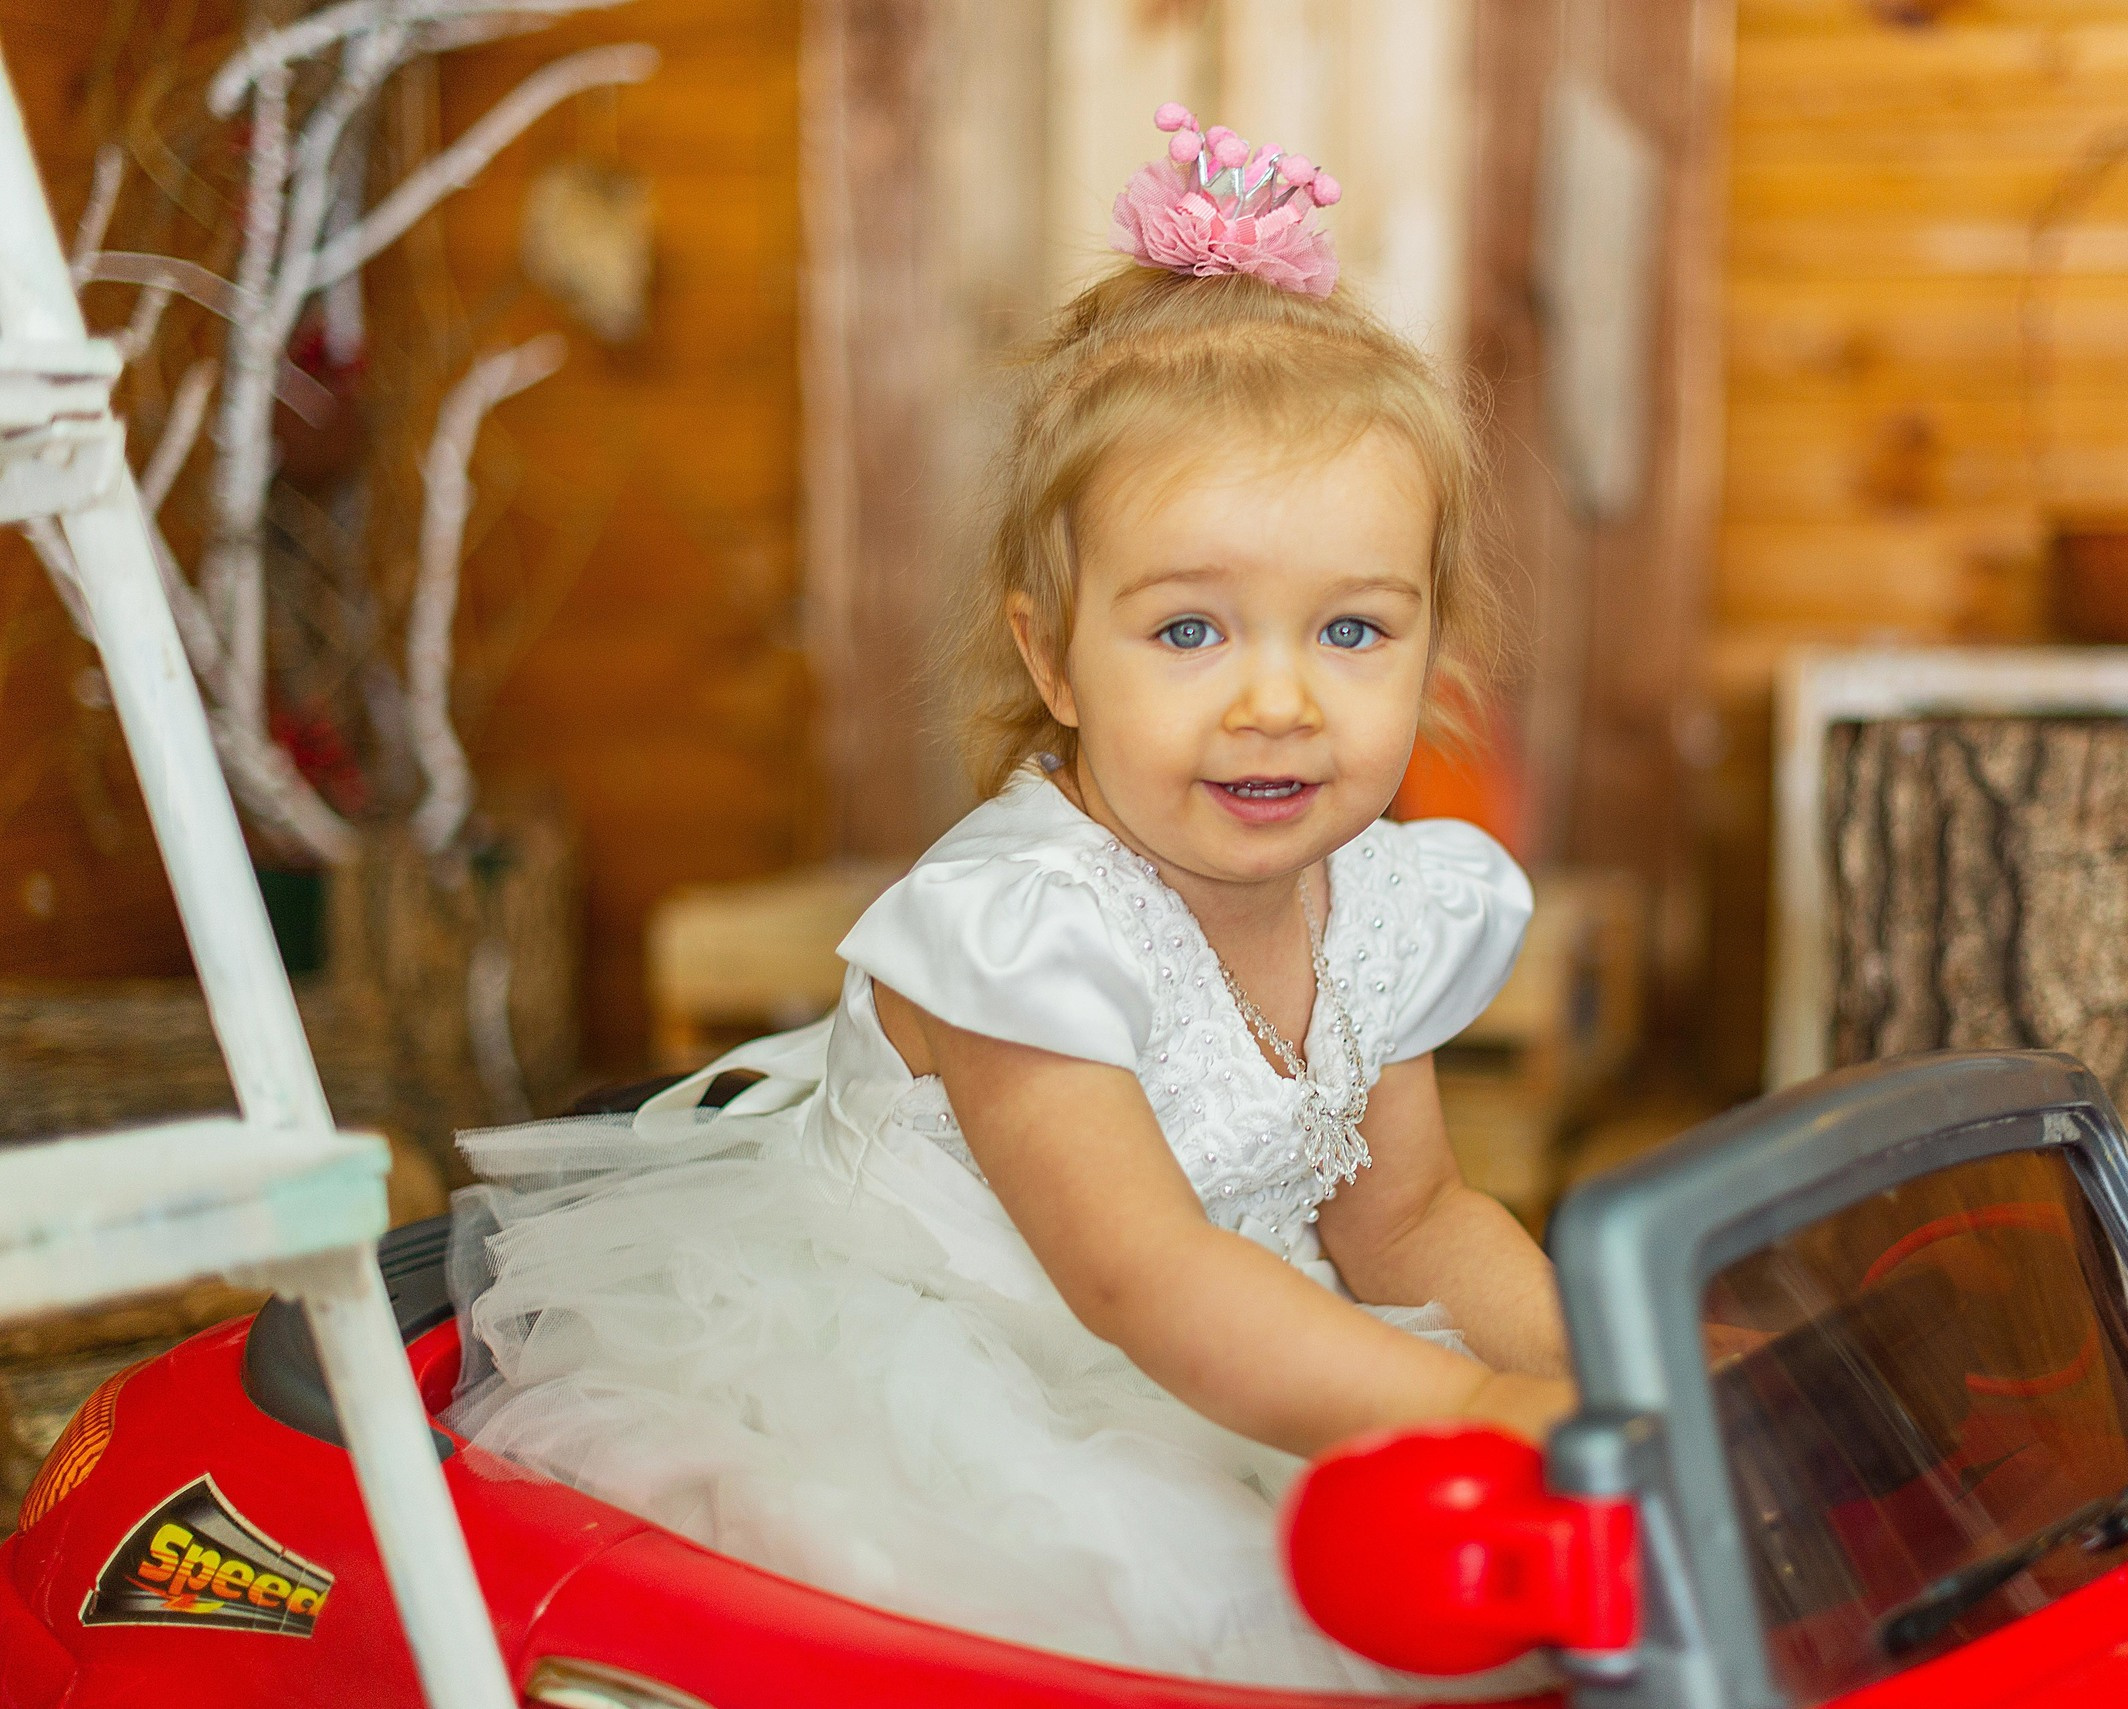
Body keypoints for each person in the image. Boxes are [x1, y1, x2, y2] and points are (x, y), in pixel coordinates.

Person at [446, 107, 1570, 1693]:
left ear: (1430, 641)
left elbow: (1411, 1215)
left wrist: (1596, 1380)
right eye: (1190, 632)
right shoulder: (1023, 922)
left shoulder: (1380, 903)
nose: (1279, 702)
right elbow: (1142, 1278)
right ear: (1054, 656)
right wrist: (1461, 1411)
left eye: (1351, 631)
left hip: (1227, 1331)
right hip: (970, 1347)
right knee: (1176, 1609)